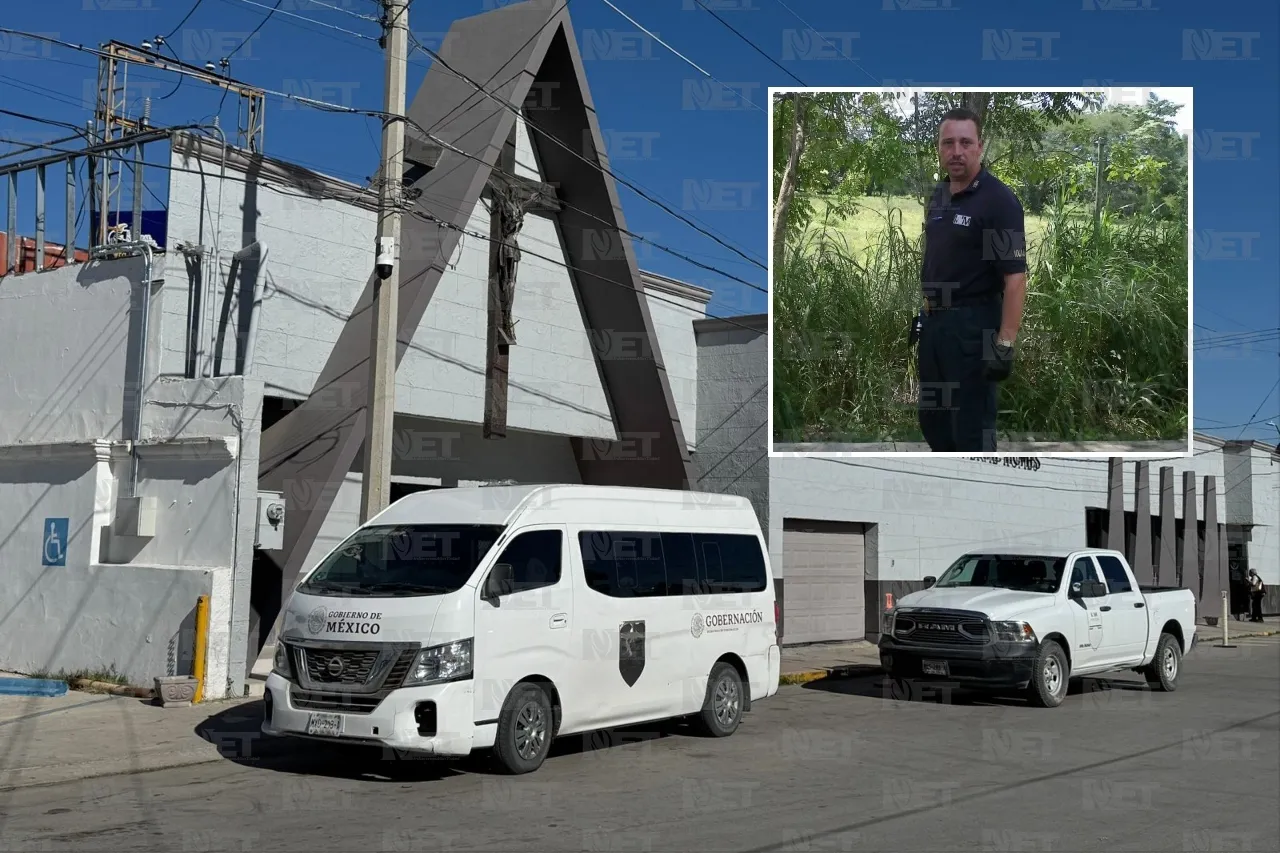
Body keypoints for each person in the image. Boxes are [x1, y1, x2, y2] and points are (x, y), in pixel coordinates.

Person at [914, 107, 1028, 452]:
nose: (956, 151)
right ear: (939, 148)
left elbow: (1015, 278)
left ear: (980, 147)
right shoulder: (940, 195)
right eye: (948, 143)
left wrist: (1005, 345)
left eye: (965, 142)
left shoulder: (998, 201)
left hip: (973, 330)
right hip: (935, 326)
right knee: (934, 422)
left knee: (971, 432)